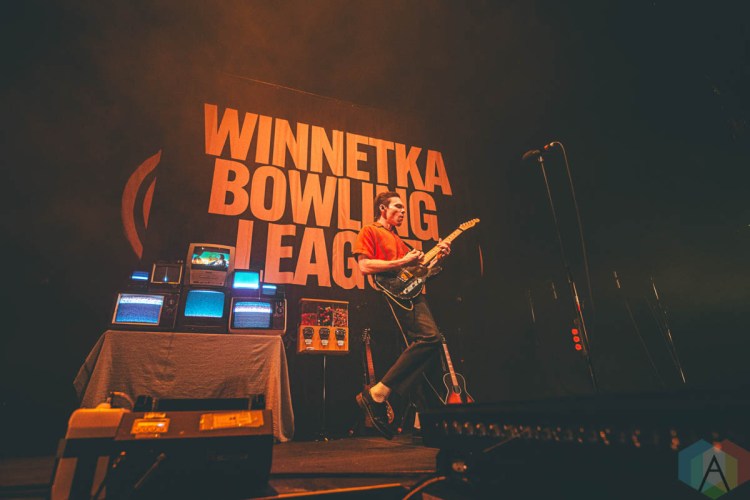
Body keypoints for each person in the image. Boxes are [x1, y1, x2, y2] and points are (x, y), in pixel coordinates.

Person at [353, 191, 451, 439]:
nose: (403, 211)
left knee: (431, 353)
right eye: (397, 206)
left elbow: (418, 273)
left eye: (403, 208)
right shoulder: (370, 230)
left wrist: (437, 257)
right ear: (383, 208)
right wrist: (401, 261)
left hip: (411, 294)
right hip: (394, 296)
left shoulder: (398, 239)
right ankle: (378, 393)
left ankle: (432, 425)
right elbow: (364, 266)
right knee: (430, 338)